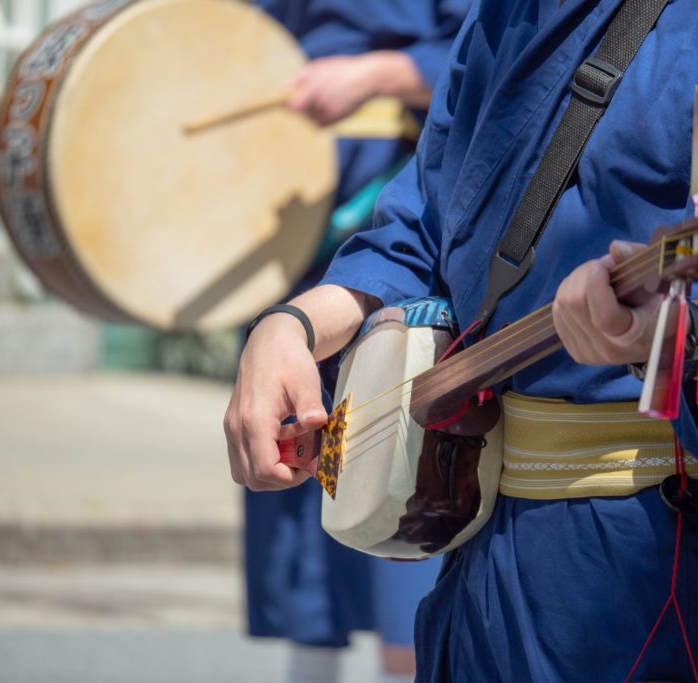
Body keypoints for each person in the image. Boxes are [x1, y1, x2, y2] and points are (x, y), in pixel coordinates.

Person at [226, 0, 698, 680]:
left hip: (657, 564)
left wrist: (668, 333)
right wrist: (290, 327)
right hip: (481, 558)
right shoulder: (510, 12)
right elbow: (422, 227)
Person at [239, 3, 470, 683]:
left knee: (402, 512)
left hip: (402, 258)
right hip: (292, 254)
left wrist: (380, 74)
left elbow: (502, 58)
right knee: (298, 528)